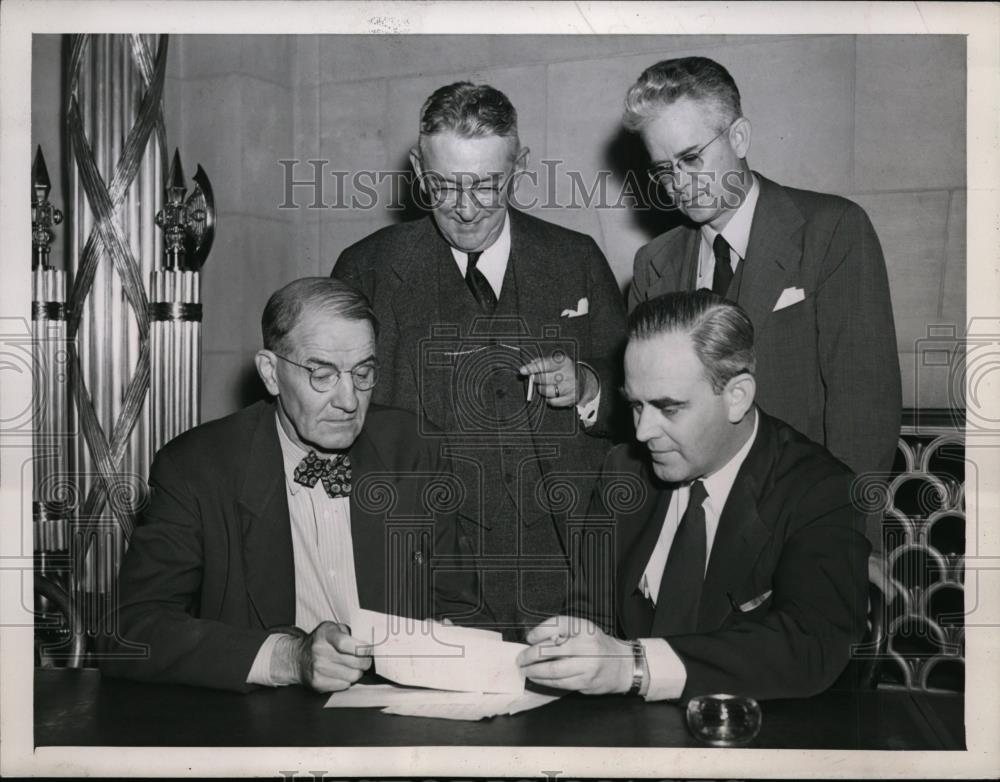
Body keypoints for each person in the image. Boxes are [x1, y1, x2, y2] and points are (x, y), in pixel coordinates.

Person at [333, 82, 627, 635]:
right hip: (424, 577)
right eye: (444, 186)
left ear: (519, 167)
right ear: (419, 171)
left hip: (568, 577)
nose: (466, 209)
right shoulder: (365, 269)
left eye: (489, 185)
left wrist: (588, 385)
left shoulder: (575, 258)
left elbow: (631, 396)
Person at [99, 278, 480, 692]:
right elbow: (129, 630)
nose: (349, 400)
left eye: (364, 372)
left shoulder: (414, 449)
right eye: (322, 374)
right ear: (271, 373)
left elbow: (461, 607)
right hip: (263, 726)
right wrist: (288, 658)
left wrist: (450, 642)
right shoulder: (197, 468)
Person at [518, 290, 870, 701]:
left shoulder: (819, 490)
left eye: (668, 408)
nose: (643, 431)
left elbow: (810, 642)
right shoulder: (624, 472)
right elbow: (589, 610)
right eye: (635, 405)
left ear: (737, 396)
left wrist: (634, 665)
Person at [624, 56, 901, 494]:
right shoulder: (653, 263)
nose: (679, 183)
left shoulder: (831, 231)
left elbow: (863, 412)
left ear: (738, 136)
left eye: (691, 158)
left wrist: (847, 542)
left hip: (800, 518)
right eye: (663, 169)